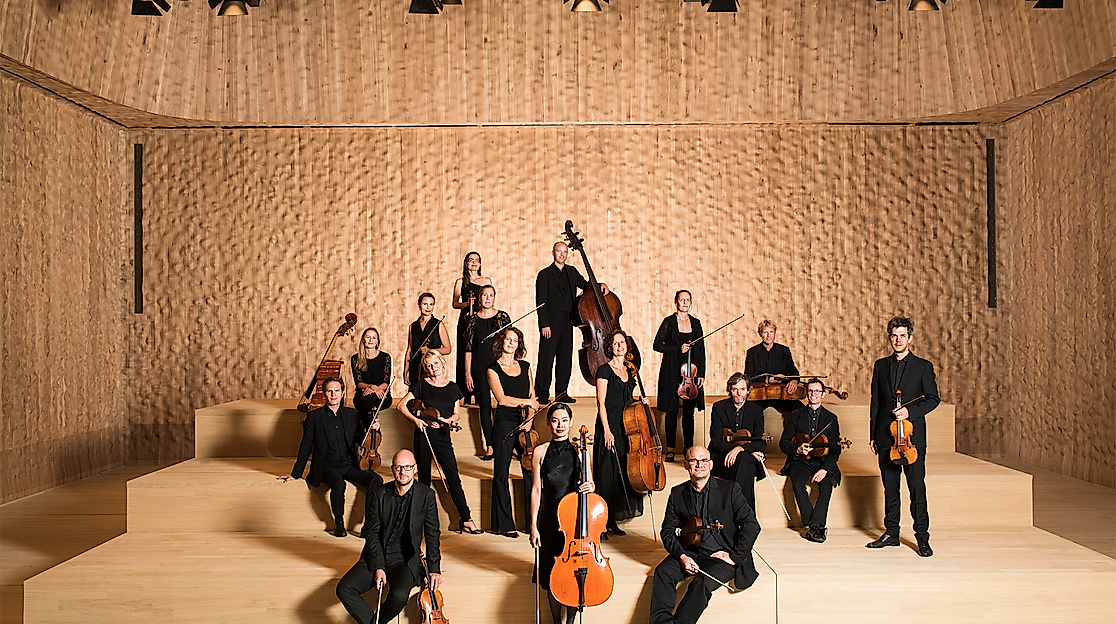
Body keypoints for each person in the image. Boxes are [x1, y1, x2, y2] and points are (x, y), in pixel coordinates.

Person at [650, 446, 760, 624]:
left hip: (721, 556)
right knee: (663, 572)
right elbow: (667, 531)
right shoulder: (677, 493)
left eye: (704, 460)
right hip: (690, 552)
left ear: (711, 465)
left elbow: (752, 525)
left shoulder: (730, 489)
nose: (699, 464)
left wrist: (734, 556)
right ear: (686, 465)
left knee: (701, 583)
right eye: (694, 460)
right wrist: (683, 556)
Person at [336, 449, 441, 624]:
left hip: (405, 560)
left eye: (407, 467)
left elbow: (432, 533)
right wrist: (378, 566)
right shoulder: (379, 493)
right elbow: (372, 533)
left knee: (399, 597)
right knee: (344, 589)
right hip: (378, 553)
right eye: (399, 467)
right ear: (392, 469)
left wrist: (434, 568)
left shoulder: (426, 495)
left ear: (415, 469)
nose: (403, 472)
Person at [867, 316, 940, 557]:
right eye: (894, 336)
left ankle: (922, 537)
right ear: (890, 338)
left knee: (916, 487)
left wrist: (910, 411)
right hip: (887, 437)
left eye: (902, 335)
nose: (898, 340)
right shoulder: (880, 366)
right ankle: (891, 533)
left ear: (910, 338)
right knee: (890, 488)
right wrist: (873, 435)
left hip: (912, 439)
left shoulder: (923, 366)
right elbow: (876, 402)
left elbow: (932, 399)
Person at [279, 377, 383, 537]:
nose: (333, 394)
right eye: (329, 391)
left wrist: (373, 430)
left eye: (337, 391)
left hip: (350, 465)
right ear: (324, 394)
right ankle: (339, 523)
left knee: (376, 480)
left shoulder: (352, 414)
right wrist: (295, 474)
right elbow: (305, 445)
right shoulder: (314, 417)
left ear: (342, 394)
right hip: (327, 466)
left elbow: (362, 439)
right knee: (339, 484)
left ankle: (368, 525)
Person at [397, 351, 482, 535]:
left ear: (442, 363)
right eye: (428, 365)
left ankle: (466, 519)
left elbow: (457, 413)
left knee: (453, 478)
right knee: (424, 480)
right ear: (425, 368)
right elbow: (401, 406)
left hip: (443, 437)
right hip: (424, 436)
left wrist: (447, 420)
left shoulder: (452, 388)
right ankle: (422, 523)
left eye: (435, 363)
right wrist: (417, 421)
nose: (433, 368)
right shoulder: (421, 385)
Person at [529, 403, 595, 624]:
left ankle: (570, 622)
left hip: (574, 521)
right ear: (548, 423)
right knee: (551, 573)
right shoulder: (540, 451)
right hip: (548, 520)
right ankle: (557, 621)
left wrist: (590, 486)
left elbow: (590, 484)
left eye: (564, 420)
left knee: (573, 573)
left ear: (571, 423)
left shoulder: (581, 450)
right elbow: (536, 490)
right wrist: (533, 526)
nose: (560, 425)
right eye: (555, 420)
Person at [534, 240, 608, 403]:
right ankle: (542, 394)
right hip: (550, 323)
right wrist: (544, 324)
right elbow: (540, 302)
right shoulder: (544, 274)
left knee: (564, 358)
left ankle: (562, 393)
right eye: (559, 251)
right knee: (546, 359)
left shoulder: (572, 272)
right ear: (553, 253)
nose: (562, 254)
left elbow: (587, 286)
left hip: (568, 321)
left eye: (565, 252)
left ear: (567, 254)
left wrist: (600, 285)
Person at [593, 329, 648, 536]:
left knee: (620, 475)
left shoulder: (630, 370)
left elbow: (628, 400)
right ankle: (600, 524)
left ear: (626, 346)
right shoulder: (604, 371)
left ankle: (612, 521)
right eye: (615, 343)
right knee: (606, 475)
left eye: (622, 342)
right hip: (610, 426)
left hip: (626, 426)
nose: (619, 346)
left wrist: (640, 402)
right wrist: (606, 431)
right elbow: (601, 402)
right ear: (610, 348)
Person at [488, 326, 539, 537]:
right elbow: (502, 399)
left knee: (530, 471)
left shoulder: (526, 366)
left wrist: (529, 419)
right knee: (501, 472)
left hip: (525, 423)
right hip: (504, 424)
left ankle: (532, 523)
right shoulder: (493, 369)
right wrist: (527, 403)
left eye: (516, 340)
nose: (512, 343)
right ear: (502, 342)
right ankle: (505, 524)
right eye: (508, 339)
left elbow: (533, 397)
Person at [779, 378, 843, 543]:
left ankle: (816, 525)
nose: (813, 394)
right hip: (800, 461)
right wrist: (797, 450)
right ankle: (813, 525)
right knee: (797, 482)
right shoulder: (796, 415)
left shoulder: (831, 418)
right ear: (807, 393)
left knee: (827, 484)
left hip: (822, 463)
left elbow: (835, 448)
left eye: (817, 391)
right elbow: (784, 442)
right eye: (810, 391)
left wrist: (825, 469)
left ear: (822, 394)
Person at [654, 289, 706, 462]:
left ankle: (688, 448)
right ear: (676, 302)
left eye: (688, 300)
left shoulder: (696, 324)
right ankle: (670, 448)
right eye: (682, 299)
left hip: (691, 374)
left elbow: (701, 350)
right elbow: (657, 345)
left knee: (689, 412)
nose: (685, 303)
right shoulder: (668, 322)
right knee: (672, 410)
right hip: (672, 371)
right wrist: (678, 348)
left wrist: (702, 374)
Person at [464, 284, 512, 460]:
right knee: (484, 407)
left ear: (494, 297)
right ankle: (490, 445)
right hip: (479, 368)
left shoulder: (503, 317)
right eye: (484, 295)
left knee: (505, 404)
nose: (488, 298)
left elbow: (511, 342)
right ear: (479, 298)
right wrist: (468, 374)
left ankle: (507, 444)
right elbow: (468, 349)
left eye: (491, 295)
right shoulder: (472, 320)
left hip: (500, 367)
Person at [708, 372, 767, 510]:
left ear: (748, 390)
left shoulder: (757, 410)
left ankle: (735, 511)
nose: (739, 393)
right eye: (735, 389)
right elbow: (716, 441)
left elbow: (760, 442)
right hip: (722, 458)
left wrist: (740, 449)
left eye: (742, 389)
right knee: (746, 464)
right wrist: (742, 451)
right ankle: (747, 516)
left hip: (743, 457)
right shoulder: (719, 407)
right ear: (729, 390)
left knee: (744, 460)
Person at [453, 251, 492, 405]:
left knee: (479, 354)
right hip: (465, 320)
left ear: (480, 264)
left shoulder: (486, 280)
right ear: (466, 263)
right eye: (471, 260)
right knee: (465, 354)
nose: (474, 263)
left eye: (477, 260)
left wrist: (478, 307)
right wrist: (468, 304)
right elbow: (455, 304)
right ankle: (466, 393)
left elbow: (489, 300)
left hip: (480, 320)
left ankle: (480, 391)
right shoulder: (460, 282)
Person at [744, 319, 803, 416]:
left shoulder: (784, 351)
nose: (769, 335)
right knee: (750, 410)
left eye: (771, 332)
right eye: (765, 332)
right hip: (761, 396)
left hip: (781, 395)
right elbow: (748, 375)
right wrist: (768, 379)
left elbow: (793, 370)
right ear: (760, 334)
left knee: (799, 409)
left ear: (775, 333)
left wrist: (794, 380)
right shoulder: (752, 352)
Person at [403, 292, 452, 387]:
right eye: (425, 304)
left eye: (431, 304)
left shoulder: (438, 325)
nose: (428, 307)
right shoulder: (413, 326)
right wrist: (405, 372)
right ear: (419, 305)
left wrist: (430, 350)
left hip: (431, 367)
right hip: (415, 367)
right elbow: (409, 350)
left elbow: (447, 349)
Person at [351, 328, 392, 430]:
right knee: (368, 400)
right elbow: (359, 383)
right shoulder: (355, 358)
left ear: (377, 341)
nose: (371, 340)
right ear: (363, 339)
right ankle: (374, 431)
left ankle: (365, 433)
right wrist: (372, 387)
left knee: (369, 400)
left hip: (382, 395)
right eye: (368, 337)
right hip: (362, 394)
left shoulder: (385, 357)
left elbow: (386, 383)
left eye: (374, 337)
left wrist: (376, 389)